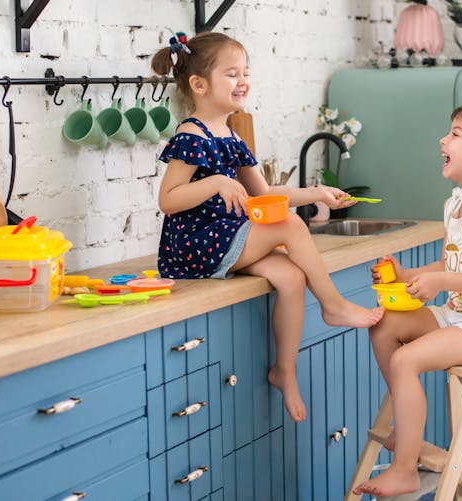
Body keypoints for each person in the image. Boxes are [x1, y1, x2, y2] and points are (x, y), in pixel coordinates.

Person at [150, 31, 384, 422]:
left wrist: (318, 194)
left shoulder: (232, 135)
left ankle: (283, 371)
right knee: (289, 225)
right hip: (196, 245)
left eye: (246, 72)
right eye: (232, 73)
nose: (243, 80)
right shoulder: (191, 134)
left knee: (291, 278)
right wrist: (216, 183)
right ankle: (333, 304)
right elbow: (168, 199)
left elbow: (262, 196)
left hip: (226, 239)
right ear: (199, 84)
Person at [353, 101, 462, 497]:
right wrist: (409, 276)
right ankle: (409, 429)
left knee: (405, 358)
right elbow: (452, 261)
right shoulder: (455, 205)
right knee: (383, 325)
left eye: (454, 134)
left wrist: (443, 281)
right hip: (459, 316)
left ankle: (404, 469)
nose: (442, 140)